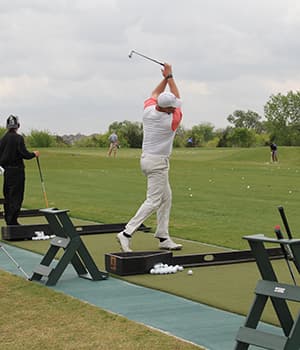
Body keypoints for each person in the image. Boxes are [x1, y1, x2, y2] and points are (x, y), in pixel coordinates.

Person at [117, 63, 183, 252]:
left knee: (166, 198)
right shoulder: (172, 120)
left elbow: (155, 94)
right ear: (169, 109)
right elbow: (177, 97)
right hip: (157, 164)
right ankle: (126, 233)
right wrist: (170, 77)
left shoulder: (149, 110)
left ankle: (163, 236)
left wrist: (165, 78)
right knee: (153, 201)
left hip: (147, 160)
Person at [0, 115, 39, 225]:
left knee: (8, 195)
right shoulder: (18, 138)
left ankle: (9, 220)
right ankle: (13, 222)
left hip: (7, 171)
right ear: (18, 125)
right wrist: (34, 154)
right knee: (16, 196)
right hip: (17, 171)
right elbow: (24, 154)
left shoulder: (3, 139)